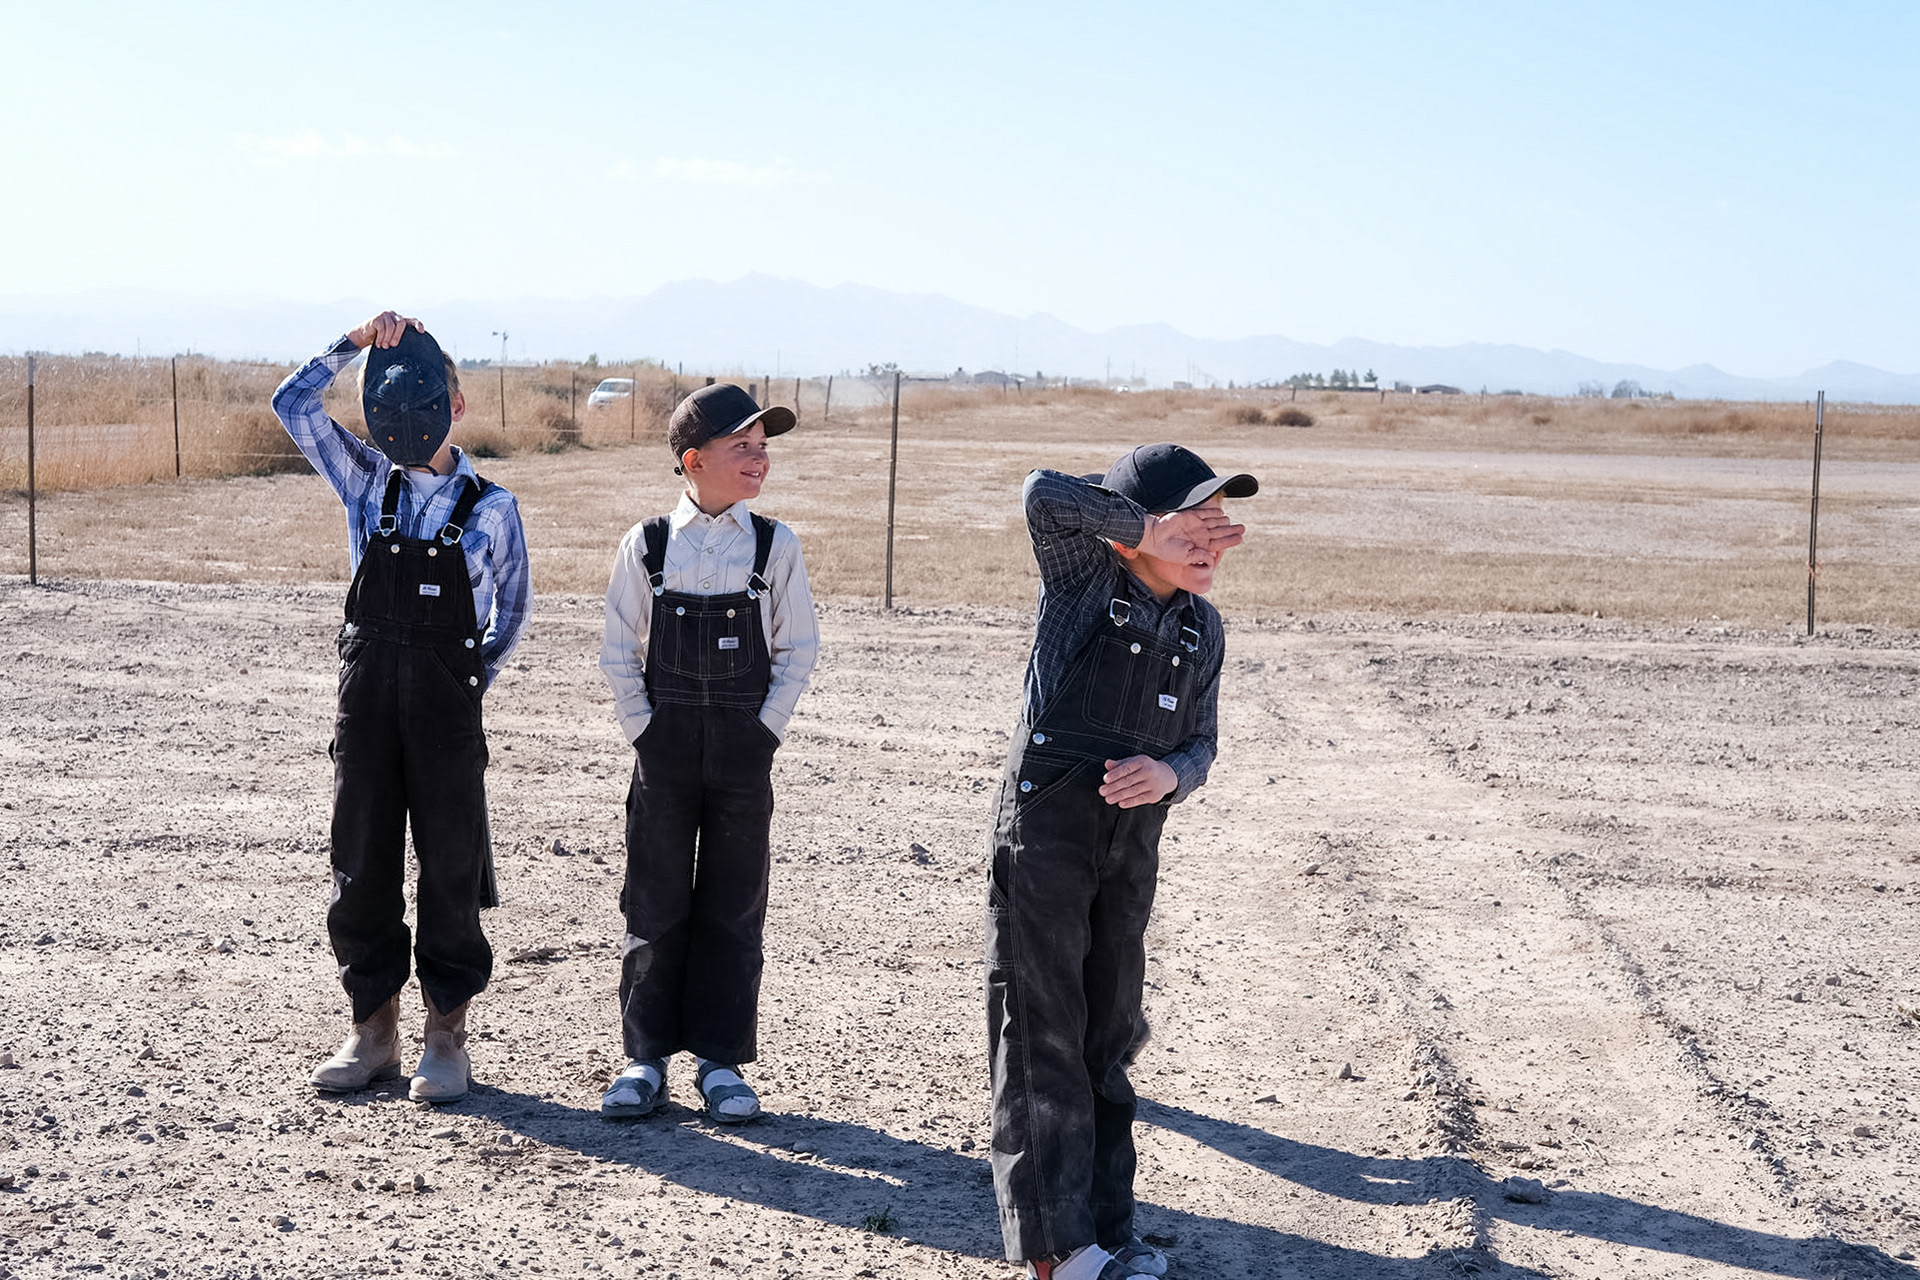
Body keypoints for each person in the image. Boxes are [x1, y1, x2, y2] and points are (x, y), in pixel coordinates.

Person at [986, 444, 1255, 1280]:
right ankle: (1057, 1251)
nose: (1208, 538)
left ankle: (1111, 1231)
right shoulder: (1084, 585)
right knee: (1044, 1035)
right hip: (1047, 833)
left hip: (1131, 846)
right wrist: (1150, 528)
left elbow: (1204, 741)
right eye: (1193, 520)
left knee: (1107, 1039)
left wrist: (1172, 773)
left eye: (1216, 522)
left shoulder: (1202, 625)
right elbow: (1043, 497)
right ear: (1138, 529)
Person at [272, 311, 531, 1104]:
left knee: (451, 865)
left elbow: (511, 611)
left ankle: (445, 1036)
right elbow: (292, 403)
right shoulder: (362, 479)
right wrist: (354, 343)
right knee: (362, 861)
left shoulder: (492, 505)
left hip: (448, 705)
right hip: (368, 699)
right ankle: (372, 1031)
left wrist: (468, 679)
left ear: (456, 406)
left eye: (425, 399)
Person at [598, 381, 819, 1122]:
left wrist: (764, 732)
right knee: (654, 900)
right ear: (693, 461)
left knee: (733, 903)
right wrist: (645, 730)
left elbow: (798, 648)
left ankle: (722, 1063)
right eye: (742, 448)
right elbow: (616, 650)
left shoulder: (773, 545)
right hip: (663, 747)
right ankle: (644, 1058)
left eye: (764, 448)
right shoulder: (649, 544)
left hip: (741, 751)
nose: (760, 460)